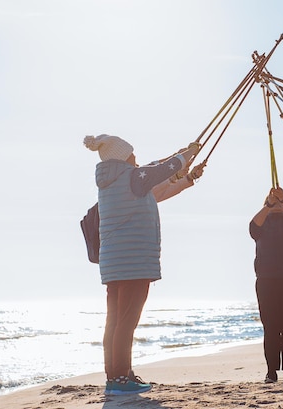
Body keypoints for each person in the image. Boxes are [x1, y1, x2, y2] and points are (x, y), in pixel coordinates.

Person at [84, 134, 200, 395]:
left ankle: (116, 375)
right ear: (124, 157)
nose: (136, 157)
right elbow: (161, 170)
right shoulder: (133, 177)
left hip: (115, 265)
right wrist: (187, 154)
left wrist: (184, 162)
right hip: (133, 263)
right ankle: (121, 379)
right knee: (126, 322)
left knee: (115, 321)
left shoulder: (112, 181)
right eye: (132, 153)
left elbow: (157, 173)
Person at [249, 187, 283, 384]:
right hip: (266, 280)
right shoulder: (261, 224)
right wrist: (269, 205)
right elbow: (252, 226)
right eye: (272, 201)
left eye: (280, 202)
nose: (277, 204)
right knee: (270, 327)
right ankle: (271, 371)